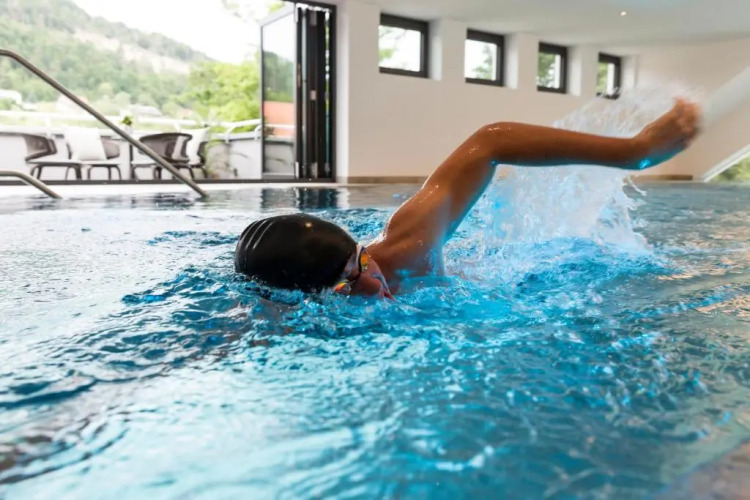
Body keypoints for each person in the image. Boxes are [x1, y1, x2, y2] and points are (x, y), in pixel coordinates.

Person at [235, 99, 699, 299]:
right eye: (344, 286)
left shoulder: (405, 250)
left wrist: (632, 152)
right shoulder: (281, 325)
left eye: (362, 261)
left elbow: (491, 142)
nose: (375, 284)